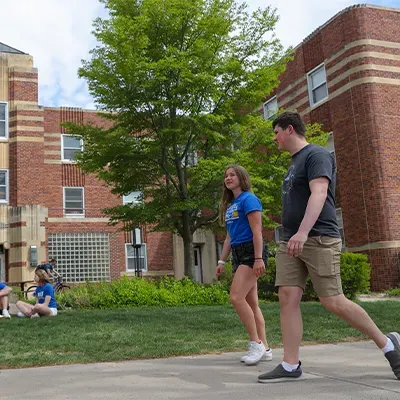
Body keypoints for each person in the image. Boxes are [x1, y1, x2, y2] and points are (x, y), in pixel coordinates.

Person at [258, 111, 400, 383]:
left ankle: (388, 344)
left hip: (318, 237)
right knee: (287, 297)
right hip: (291, 241)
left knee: (332, 300)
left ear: (289, 129)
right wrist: (292, 234)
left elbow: (320, 193)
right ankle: (290, 365)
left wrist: (303, 231)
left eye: (275, 132)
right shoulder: (293, 163)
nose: (274, 138)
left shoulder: (316, 155)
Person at [216, 164, 272, 366]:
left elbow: (257, 232)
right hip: (239, 252)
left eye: (232, 174)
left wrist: (258, 259)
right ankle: (264, 347)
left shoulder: (249, 199)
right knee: (251, 303)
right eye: (226, 175)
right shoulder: (231, 205)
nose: (228, 178)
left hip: (251, 252)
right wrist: (222, 260)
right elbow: (230, 236)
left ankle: (255, 342)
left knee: (236, 297)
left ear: (242, 177)